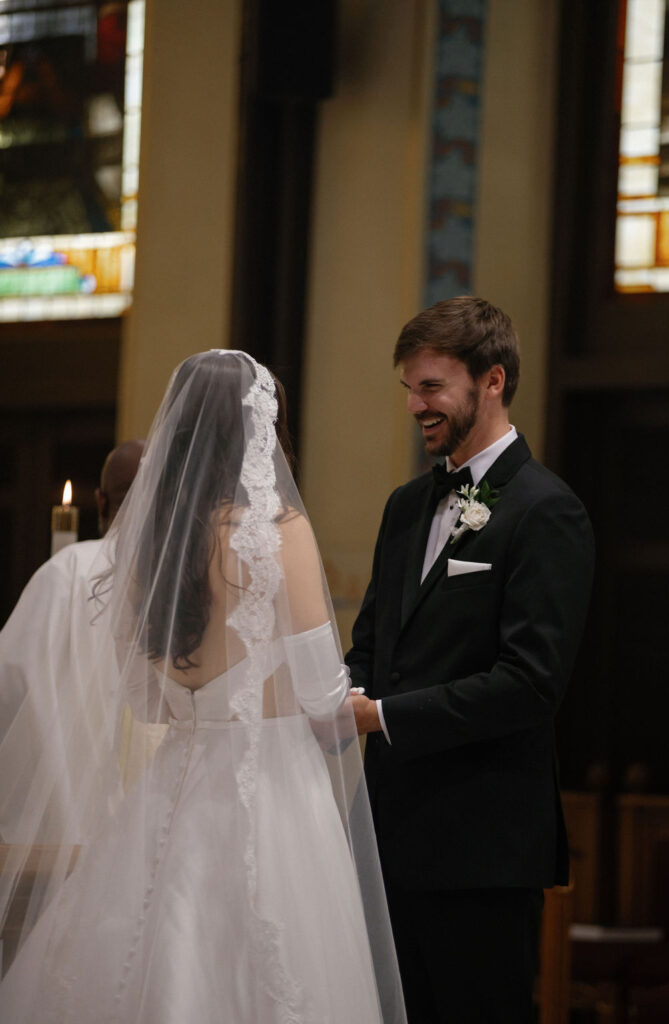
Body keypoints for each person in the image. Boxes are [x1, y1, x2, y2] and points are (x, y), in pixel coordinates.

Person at [0, 351, 406, 1024]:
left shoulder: (150, 543)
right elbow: (319, 690)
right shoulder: (277, 533)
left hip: (174, 783)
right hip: (272, 786)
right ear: (255, 430)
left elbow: (145, 700)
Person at [346, 297, 594, 1024]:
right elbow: (371, 648)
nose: (415, 406)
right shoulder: (402, 507)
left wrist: (382, 716)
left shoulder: (546, 510)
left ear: (491, 380)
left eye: (431, 388)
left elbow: (530, 683)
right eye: (409, 389)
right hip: (388, 835)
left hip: (481, 846)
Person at [0, 440, 144, 844]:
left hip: (66, 818)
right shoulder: (190, 587)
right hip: (159, 819)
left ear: (100, 503)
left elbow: (11, 689)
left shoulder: (67, 571)